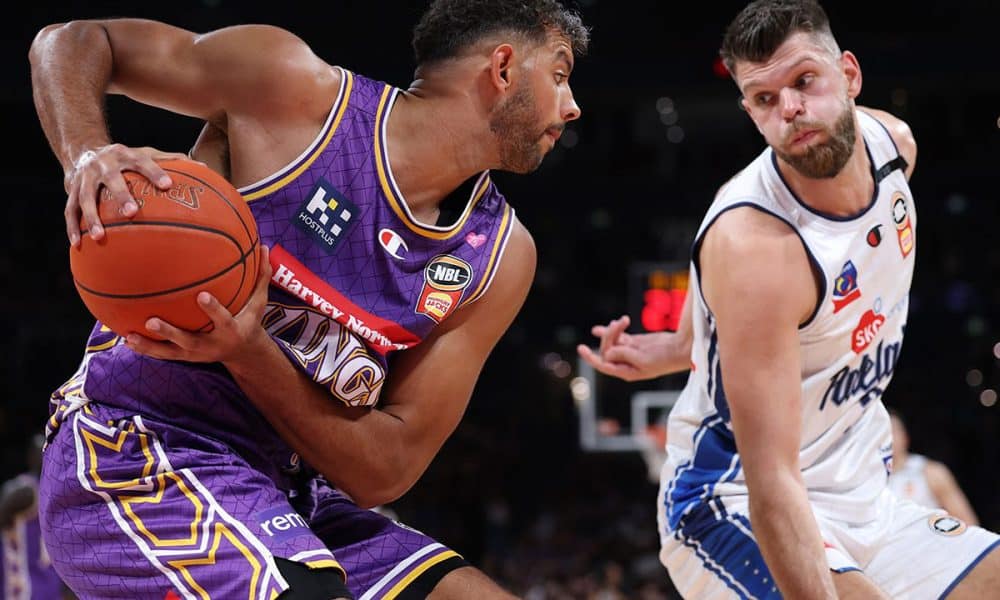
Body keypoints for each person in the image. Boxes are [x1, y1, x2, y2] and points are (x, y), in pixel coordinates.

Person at [29, 1, 587, 597]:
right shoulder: (293, 91)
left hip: (288, 494)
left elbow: (386, 468)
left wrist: (252, 352)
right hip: (137, 447)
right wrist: (86, 154)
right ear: (502, 67)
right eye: (558, 74)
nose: (573, 105)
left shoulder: (498, 256)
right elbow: (73, 41)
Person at [579, 1, 999, 598]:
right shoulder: (756, 247)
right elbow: (771, 482)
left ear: (849, 76)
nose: (792, 110)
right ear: (750, 112)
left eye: (805, 81)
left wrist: (681, 346)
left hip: (864, 494)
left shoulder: (894, 148)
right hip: (737, 500)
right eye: (765, 99)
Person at [0, 435, 72, 600]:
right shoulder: (24, 490)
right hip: (22, 586)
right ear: (31, 457)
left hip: (49, 587)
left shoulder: (56, 491)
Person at [888, 409, 980, 525]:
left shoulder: (931, 472)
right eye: (882, 433)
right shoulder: (865, 478)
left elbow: (969, 523)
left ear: (905, 437)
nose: (888, 438)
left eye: (893, 432)